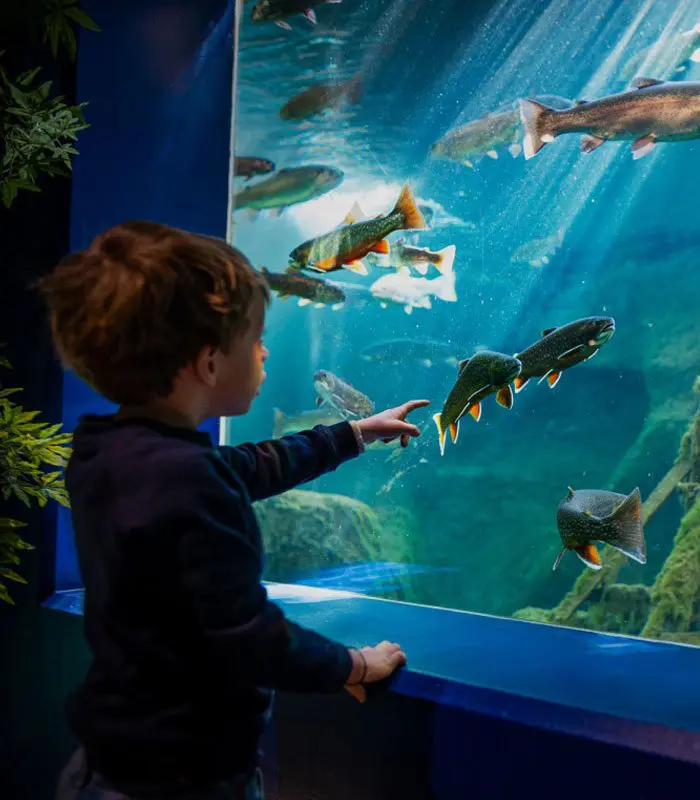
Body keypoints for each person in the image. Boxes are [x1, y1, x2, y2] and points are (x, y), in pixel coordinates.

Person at [40, 220, 428, 800]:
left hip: (108, 761)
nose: (266, 351)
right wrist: (351, 665)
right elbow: (251, 637)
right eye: (255, 339)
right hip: (182, 781)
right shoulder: (185, 478)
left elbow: (247, 467)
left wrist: (352, 434)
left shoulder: (109, 453)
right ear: (208, 363)